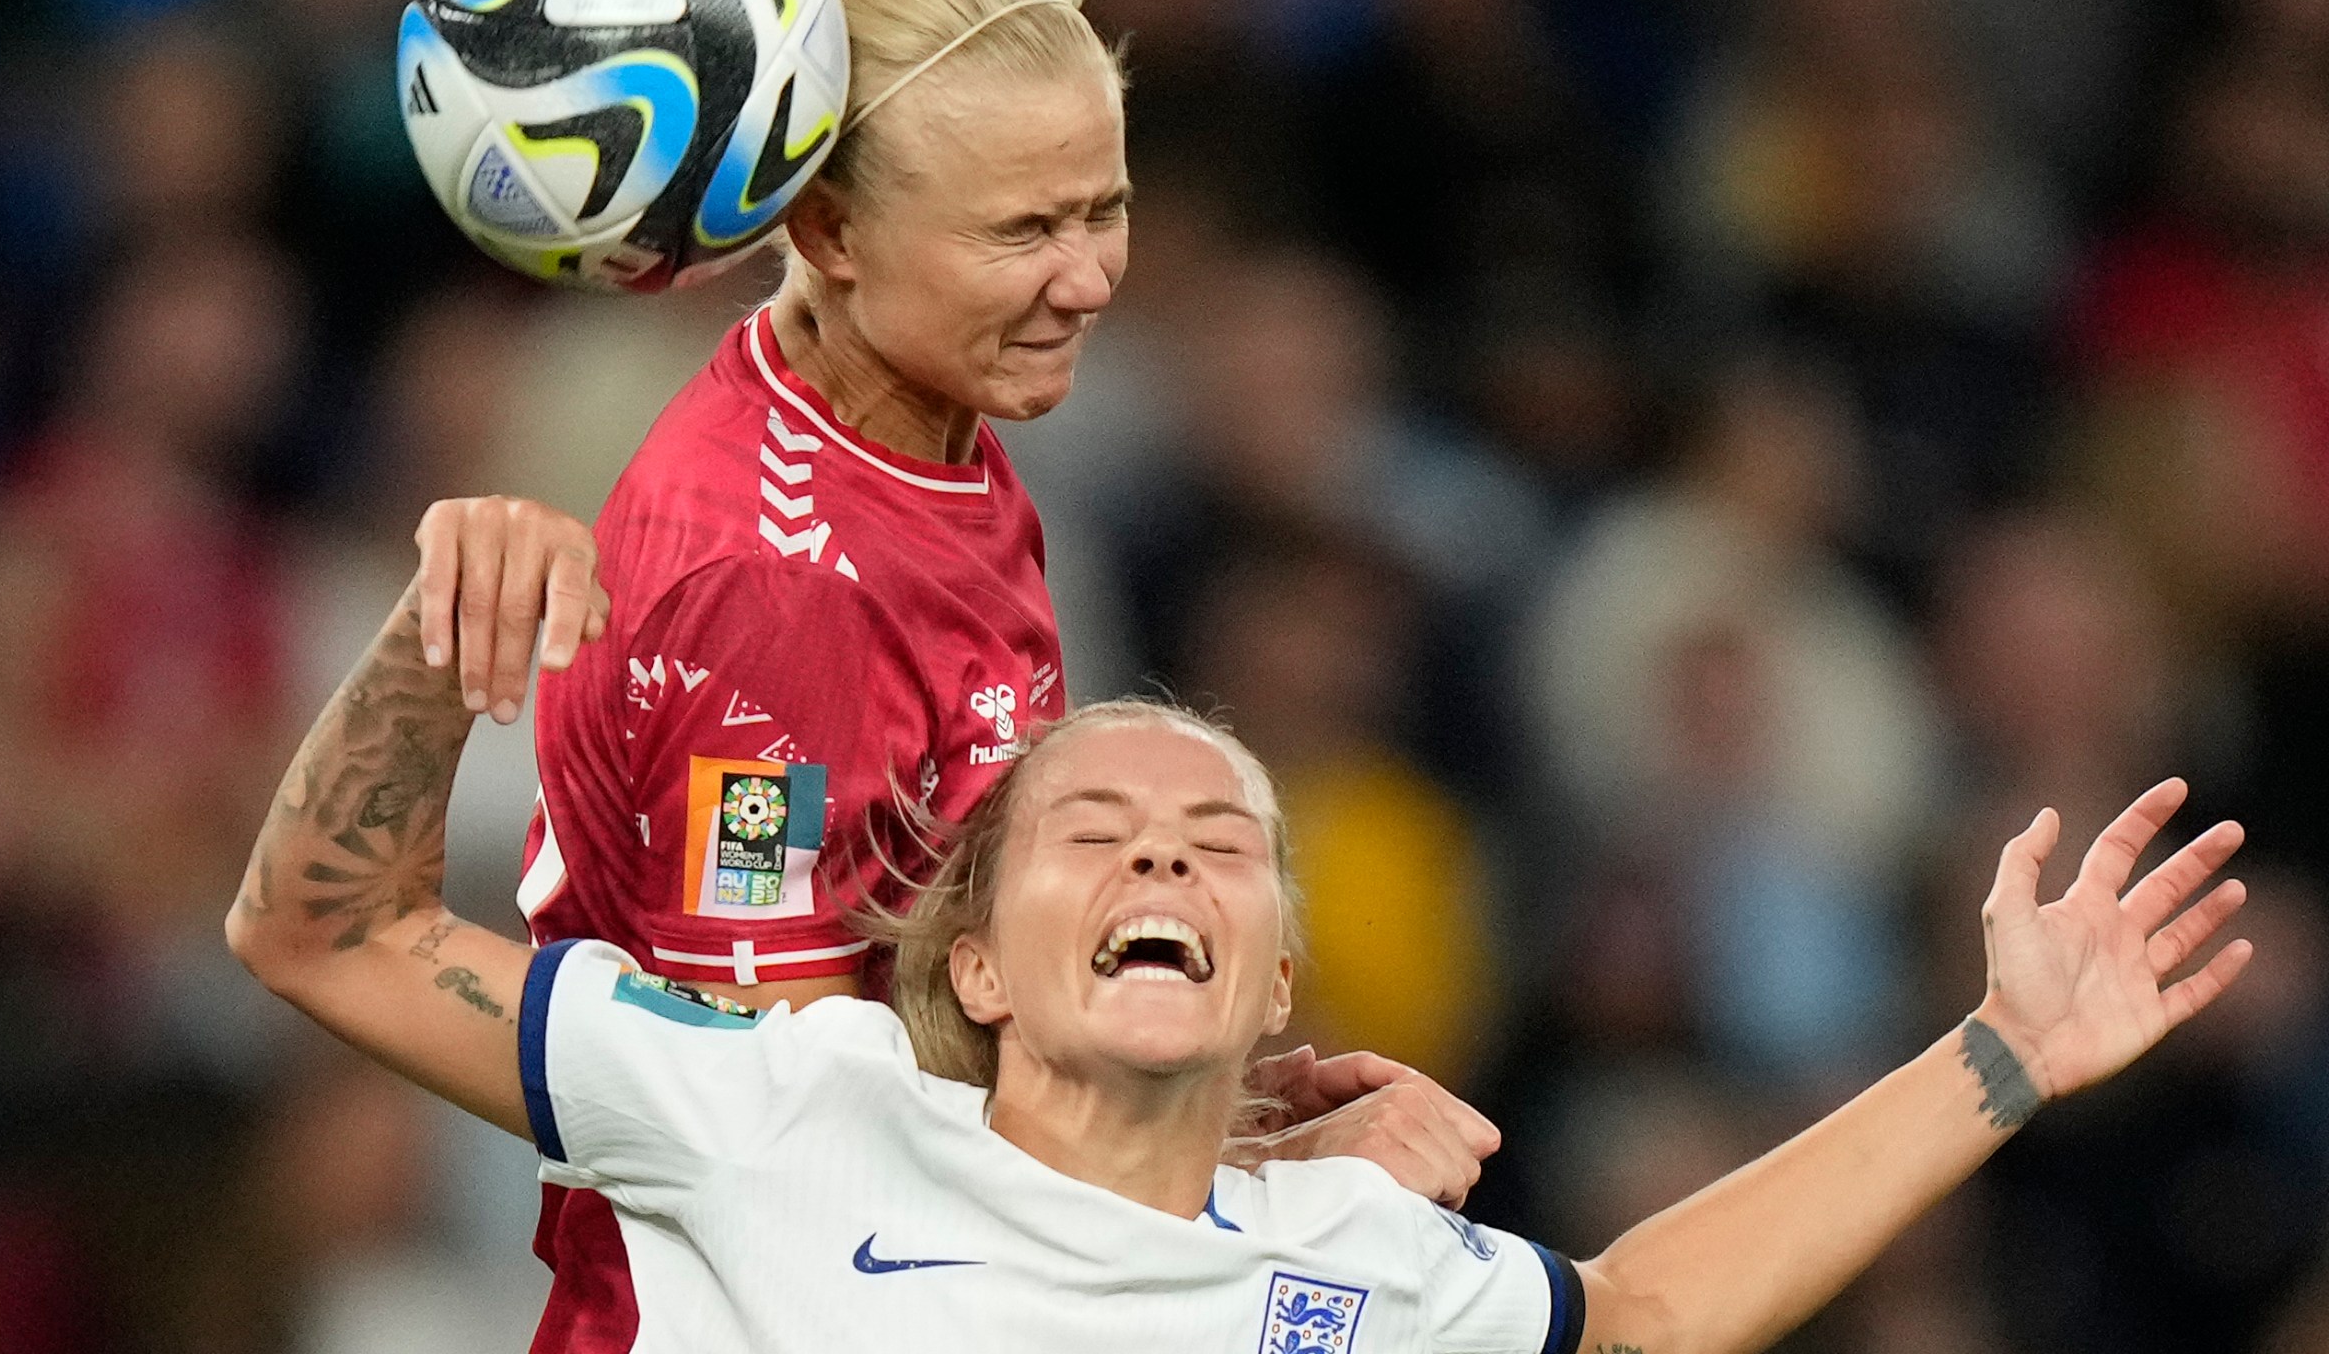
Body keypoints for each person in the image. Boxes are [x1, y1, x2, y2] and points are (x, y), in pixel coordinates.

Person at [233, 536, 2253, 1353]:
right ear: (987, 968)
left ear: (1275, 978)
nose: (1163, 866)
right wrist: (433, 649)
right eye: (1092, 832)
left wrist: (1993, 1053)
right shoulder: (781, 1112)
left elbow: (1637, 1320)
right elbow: (324, 935)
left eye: (1220, 849)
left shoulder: (1358, 1275)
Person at [403, 0, 1495, 1343]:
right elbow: (801, 1150)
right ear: (832, 229)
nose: (1092, 277)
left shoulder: (928, 447)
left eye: (1103, 208)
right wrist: (1240, 1174)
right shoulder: (775, 596)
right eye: (1022, 231)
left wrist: (1204, 1124)